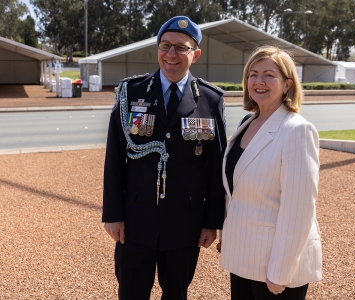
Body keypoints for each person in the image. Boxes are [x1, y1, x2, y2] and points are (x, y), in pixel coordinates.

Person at [102, 16, 227, 300]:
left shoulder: (210, 99)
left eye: (181, 48)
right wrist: (112, 214)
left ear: (195, 54)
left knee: (176, 293)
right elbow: (114, 158)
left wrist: (211, 221)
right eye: (165, 45)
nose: (171, 54)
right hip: (135, 222)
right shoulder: (131, 93)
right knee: (132, 292)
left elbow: (216, 165)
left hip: (186, 224)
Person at [219, 45, 322, 300]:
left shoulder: (297, 130)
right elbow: (236, 189)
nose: (259, 81)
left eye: (269, 75)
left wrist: (280, 271)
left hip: (274, 267)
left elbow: (298, 210)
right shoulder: (247, 123)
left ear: (287, 84)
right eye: (253, 74)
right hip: (244, 257)